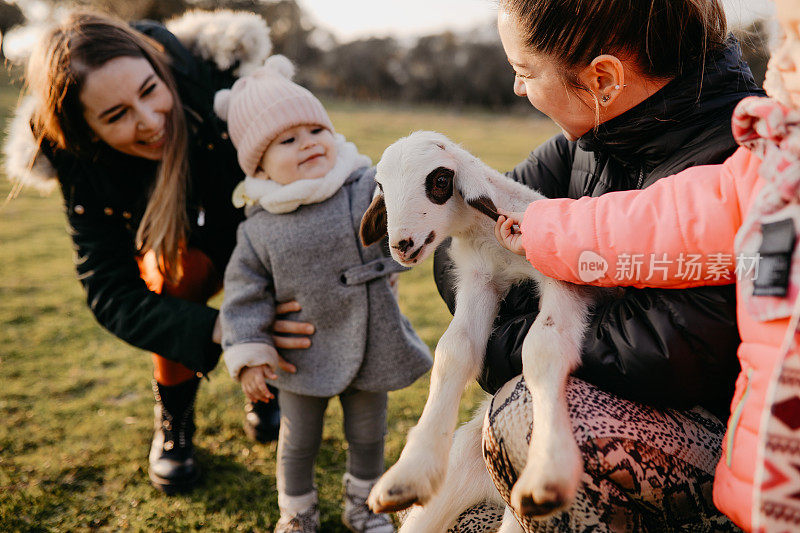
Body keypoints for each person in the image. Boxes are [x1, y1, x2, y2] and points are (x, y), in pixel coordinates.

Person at [431, 0, 764, 530]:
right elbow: (468, 241)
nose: (518, 89)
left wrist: (487, 340)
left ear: (603, 77)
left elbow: (666, 353)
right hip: (641, 408)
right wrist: (539, 330)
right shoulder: (593, 136)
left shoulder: (741, 161)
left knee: (532, 415)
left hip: (736, 447)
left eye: (525, 73)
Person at [5, 11, 312, 494]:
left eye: (149, 91)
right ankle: (174, 419)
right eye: (115, 115)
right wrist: (223, 328)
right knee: (173, 273)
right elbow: (109, 290)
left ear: (158, 67)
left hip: (255, 226)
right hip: (182, 254)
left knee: (284, 253)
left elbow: (308, 151)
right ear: (84, 129)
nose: (150, 122)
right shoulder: (76, 158)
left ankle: (265, 387)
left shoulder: (218, 83)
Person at [214, 56, 432, 533]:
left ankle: (364, 507)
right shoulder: (259, 230)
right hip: (301, 355)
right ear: (261, 165)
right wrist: (250, 353)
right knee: (298, 441)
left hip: (372, 339)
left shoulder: (359, 185)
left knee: (368, 433)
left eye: (316, 130)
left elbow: (398, 219)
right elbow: (243, 297)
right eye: (288, 140)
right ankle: (296, 512)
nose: (308, 143)